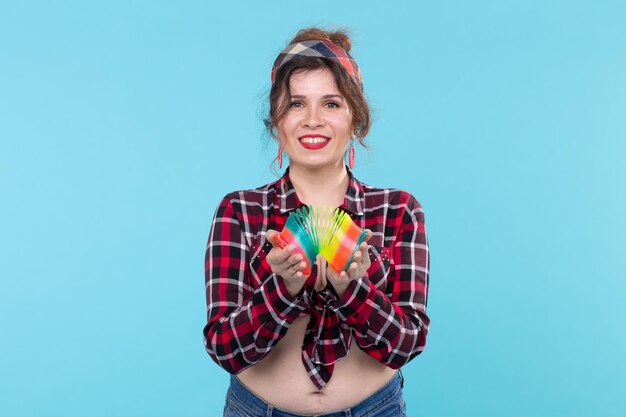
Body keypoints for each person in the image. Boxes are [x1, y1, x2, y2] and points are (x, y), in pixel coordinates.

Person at [203, 27, 430, 417]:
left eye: (331, 104)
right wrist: (282, 289)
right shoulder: (239, 210)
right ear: (276, 120)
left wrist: (353, 290)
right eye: (296, 104)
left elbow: (405, 345)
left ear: (356, 118)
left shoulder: (399, 210)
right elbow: (225, 348)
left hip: (374, 409)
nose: (312, 120)